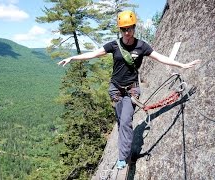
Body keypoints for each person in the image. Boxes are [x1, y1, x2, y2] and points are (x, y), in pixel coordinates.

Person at [57, 10, 201, 169]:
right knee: (121, 122)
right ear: (120, 30)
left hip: (132, 90)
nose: (127, 32)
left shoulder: (142, 46)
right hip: (115, 90)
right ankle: (124, 148)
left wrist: (182, 65)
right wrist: (73, 57)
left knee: (125, 121)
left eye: (129, 28)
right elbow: (93, 54)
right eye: (123, 29)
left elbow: (160, 57)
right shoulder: (114, 45)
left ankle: (122, 157)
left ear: (134, 28)